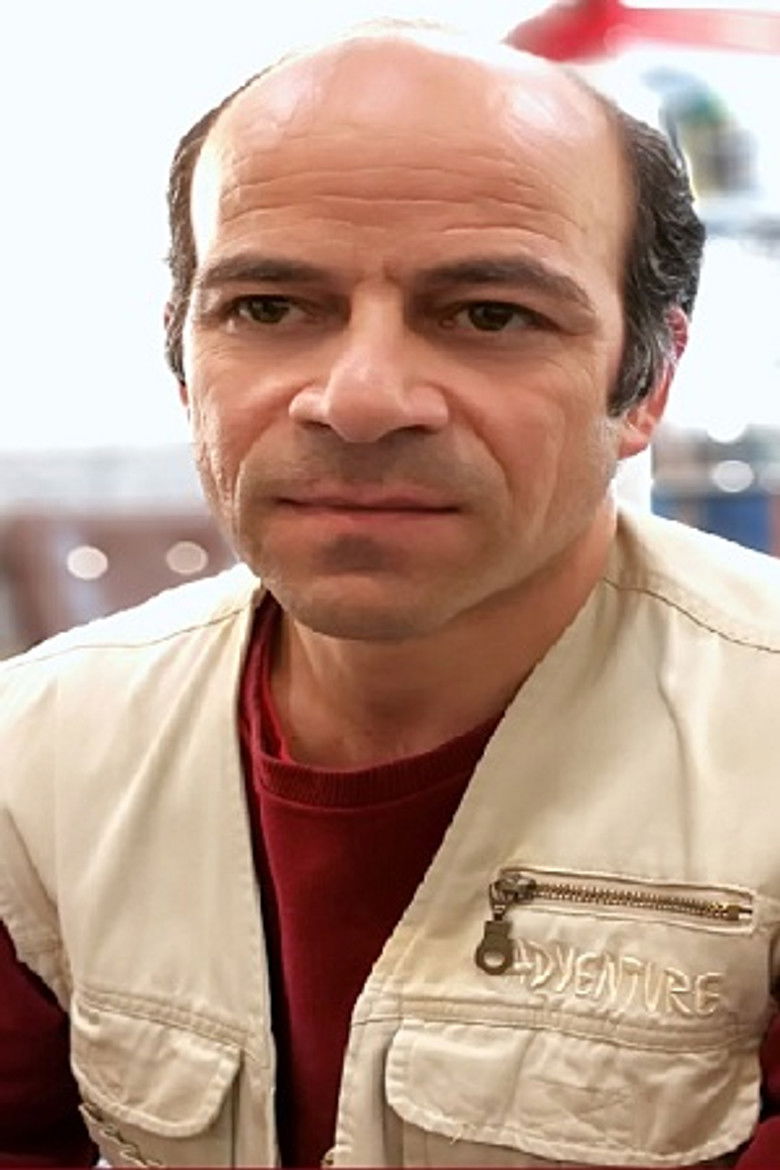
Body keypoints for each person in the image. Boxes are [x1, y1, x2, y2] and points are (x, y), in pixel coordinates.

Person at [2, 20, 780, 1169]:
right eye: (269, 307)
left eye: (489, 314)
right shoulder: (36, 759)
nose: (359, 401)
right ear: (182, 356)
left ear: (647, 381)